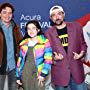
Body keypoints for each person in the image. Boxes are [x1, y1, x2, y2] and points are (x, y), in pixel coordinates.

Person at [44, 5, 87, 90]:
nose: (57, 17)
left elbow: (83, 44)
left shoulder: (76, 27)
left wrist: (81, 54)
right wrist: (54, 58)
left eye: (59, 14)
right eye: (54, 15)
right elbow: (46, 53)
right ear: (51, 18)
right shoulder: (48, 33)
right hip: (60, 75)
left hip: (77, 72)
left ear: (63, 15)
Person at [16, 20, 53, 90]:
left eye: (33, 28)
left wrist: (43, 74)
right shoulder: (23, 43)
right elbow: (19, 61)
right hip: (25, 73)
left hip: (39, 73)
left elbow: (48, 60)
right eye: (28, 29)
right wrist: (18, 76)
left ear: (38, 29)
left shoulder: (45, 42)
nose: (31, 30)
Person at [0, 2, 23, 90]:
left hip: (14, 66)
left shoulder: (16, 27)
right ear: (0, 14)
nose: (7, 15)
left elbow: (21, 43)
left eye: (10, 13)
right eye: (4, 12)